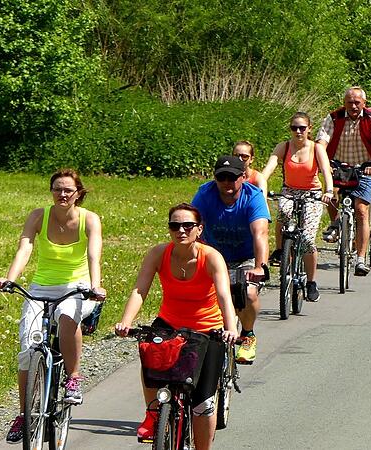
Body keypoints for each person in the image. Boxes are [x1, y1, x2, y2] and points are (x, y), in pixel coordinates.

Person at [115, 203, 238, 449]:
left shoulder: (211, 257)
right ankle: (153, 414)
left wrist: (230, 328)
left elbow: (224, 295)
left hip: (208, 329)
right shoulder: (158, 254)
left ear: (199, 229)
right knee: (149, 353)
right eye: (175, 225)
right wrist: (126, 322)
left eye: (187, 225)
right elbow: (140, 289)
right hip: (170, 324)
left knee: (203, 403)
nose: (181, 230)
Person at [0, 169, 105, 443]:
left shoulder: (89, 220)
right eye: (57, 189)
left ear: (78, 193)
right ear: (51, 191)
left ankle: (74, 378)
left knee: (68, 317)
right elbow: (25, 248)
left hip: (76, 287)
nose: (62, 194)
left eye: (68, 189)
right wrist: (10, 279)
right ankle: (24, 413)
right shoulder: (38, 216)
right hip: (40, 288)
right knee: (26, 351)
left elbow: (94, 255)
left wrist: (95, 286)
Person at [192, 156, 270, 364]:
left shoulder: (253, 197)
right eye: (221, 177)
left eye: (232, 177)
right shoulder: (205, 194)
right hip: (215, 255)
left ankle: (247, 335)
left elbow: (260, 234)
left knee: (249, 293)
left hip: (246, 257)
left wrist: (259, 267)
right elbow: (192, 225)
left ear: (243, 177)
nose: (226, 182)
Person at [261, 112, 334, 301]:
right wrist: (260, 186)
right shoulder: (284, 147)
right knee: (283, 212)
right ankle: (280, 250)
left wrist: (329, 191)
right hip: (289, 191)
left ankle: (311, 282)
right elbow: (269, 168)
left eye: (302, 127)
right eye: (294, 128)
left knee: (308, 240)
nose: (298, 131)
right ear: (290, 129)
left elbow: (326, 170)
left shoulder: (317, 148)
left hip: (312, 194)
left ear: (309, 129)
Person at [316, 86, 371, 277]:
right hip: (338, 166)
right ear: (344, 103)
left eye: (357, 102)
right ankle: (335, 223)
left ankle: (361, 259)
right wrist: (324, 163)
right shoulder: (334, 117)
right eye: (350, 102)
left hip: (365, 167)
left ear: (364, 103)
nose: (354, 106)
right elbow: (321, 143)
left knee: (361, 210)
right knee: (330, 194)